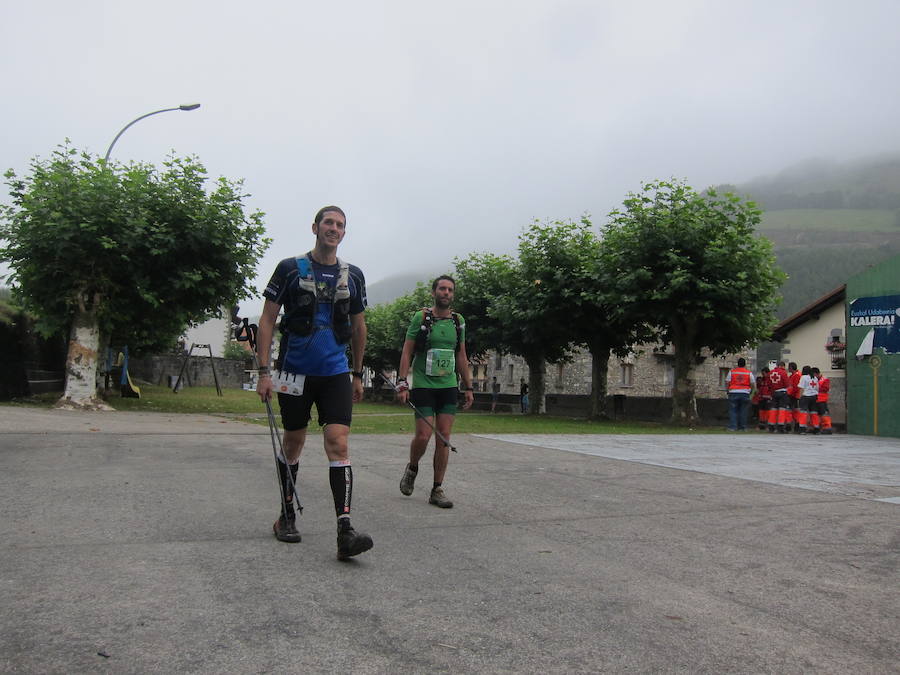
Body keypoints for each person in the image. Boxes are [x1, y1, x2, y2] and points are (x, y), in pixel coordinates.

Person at [255, 205, 373, 560]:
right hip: (293, 372)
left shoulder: (353, 276)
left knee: (338, 443)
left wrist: (357, 372)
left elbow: (358, 327)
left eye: (339, 225)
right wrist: (264, 371)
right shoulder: (289, 269)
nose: (333, 229)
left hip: (335, 372)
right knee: (293, 442)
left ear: (344, 233)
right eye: (328, 223)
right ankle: (286, 517)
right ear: (315, 227)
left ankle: (345, 530)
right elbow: (267, 320)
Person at [396, 275, 474, 508]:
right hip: (423, 385)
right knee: (423, 435)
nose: (446, 293)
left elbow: (461, 355)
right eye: (442, 289)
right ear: (434, 292)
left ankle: (437, 488)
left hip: (448, 386)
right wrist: (402, 382)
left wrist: (468, 386)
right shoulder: (421, 318)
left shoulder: (458, 321)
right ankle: (412, 467)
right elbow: (407, 351)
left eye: (450, 290)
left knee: (443, 437)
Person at [725, 357, 753, 431]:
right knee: (743, 411)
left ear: (738, 364)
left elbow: (727, 382)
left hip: (733, 392)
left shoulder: (732, 372)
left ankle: (733, 427)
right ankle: (742, 427)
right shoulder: (748, 373)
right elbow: (753, 383)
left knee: (733, 410)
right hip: (745, 393)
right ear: (745, 364)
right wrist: (751, 391)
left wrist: (727, 390)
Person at [767, 361, 790, 433]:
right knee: (782, 410)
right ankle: (780, 426)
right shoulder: (783, 372)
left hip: (774, 393)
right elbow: (787, 384)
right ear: (782, 366)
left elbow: (769, 384)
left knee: (773, 409)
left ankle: (771, 426)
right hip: (782, 392)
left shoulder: (770, 373)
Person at [796, 365, 818, 434]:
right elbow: (817, 389)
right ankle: (816, 428)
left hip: (805, 396)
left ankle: (802, 429)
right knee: (814, 413)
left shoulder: (803, 377)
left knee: (803, 413)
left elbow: (801, 388)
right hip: (814, 397)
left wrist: (800, 398)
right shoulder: (815, 378)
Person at [814, 368, 833, 435]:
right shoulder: (814, 380)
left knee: (824, 414)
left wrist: (817, 388)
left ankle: (827, 428)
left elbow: (826, 388)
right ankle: (819, 427)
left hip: (822, 399)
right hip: (816, 399)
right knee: (817, 414)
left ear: (816, 373)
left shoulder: (825, 379)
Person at [787, 362, 801, 433]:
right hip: (792, 395)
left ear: (791, 368)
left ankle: (796, 425)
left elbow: (795, 387)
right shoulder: (793, 375)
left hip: (794, 396)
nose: (788, 369)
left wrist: (790, 394)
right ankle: (794, 425)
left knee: (794, 411)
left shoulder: (797, 375)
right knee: (793, 411)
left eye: (789, 367)